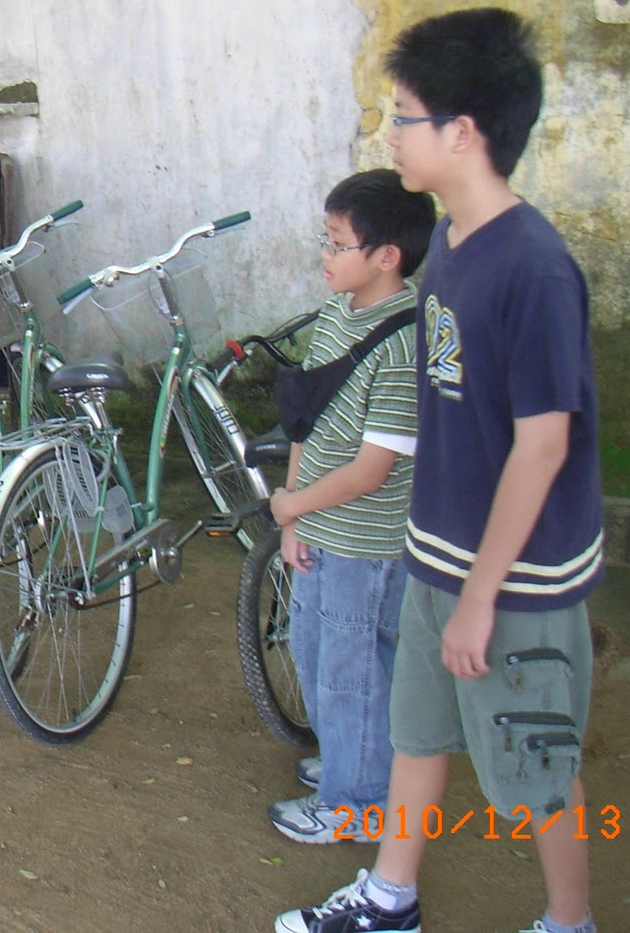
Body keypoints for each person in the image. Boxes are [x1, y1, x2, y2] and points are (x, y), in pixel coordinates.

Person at [275, 8, 602, 933]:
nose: (392, 133)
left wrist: (482, 595)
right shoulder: (451, 248)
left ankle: (568, 922)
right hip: (435, 555)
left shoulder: (533, 270)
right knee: (416, 734)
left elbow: (543, 447)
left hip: (514, 582)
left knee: (538, 765)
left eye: (405, 114)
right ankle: (390, 898)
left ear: (464, 133)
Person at [266, 168, 436, 844]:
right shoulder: (339, 311)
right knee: (314, 653)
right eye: (325, 239)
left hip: (365, 546)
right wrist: (296, 517)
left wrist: (291, 505)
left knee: (354, 675)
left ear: (386, 257)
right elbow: (307, 417)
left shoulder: (404, 342)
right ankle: (353, 763)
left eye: (337, 244)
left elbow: (371, 472)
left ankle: (358, 803)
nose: (324, 256)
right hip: (318, 528)